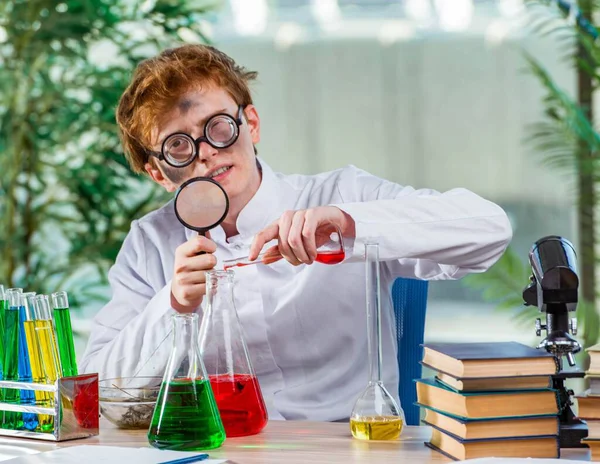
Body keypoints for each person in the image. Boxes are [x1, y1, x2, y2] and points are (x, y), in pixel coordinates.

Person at [80, 44, 512, 421]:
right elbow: (99, 397)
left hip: (347, 447)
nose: (207, 152)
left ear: (251, 124)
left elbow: (489, 229)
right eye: (178, 145)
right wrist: (173, 305)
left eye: (219, 127)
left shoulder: (342, 192)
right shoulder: (150, 243)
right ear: (159, 173)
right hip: (218, 450)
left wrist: (350, 225)